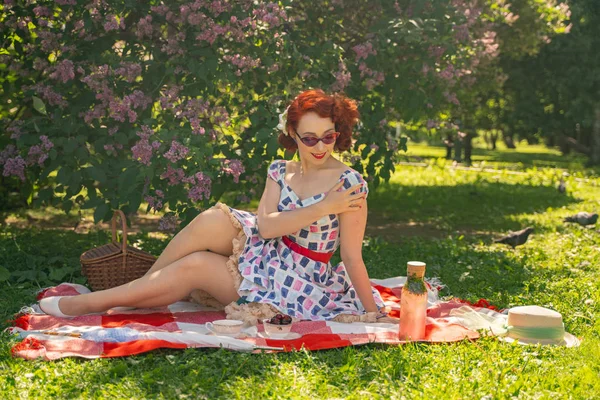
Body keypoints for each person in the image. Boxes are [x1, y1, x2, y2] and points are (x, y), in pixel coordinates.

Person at [39, 89, 395, 324]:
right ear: (292, 133)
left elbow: (350, 257)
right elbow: (267, 227)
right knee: (212, 219)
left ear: (338, 131)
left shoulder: (349, 185)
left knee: (196, 266)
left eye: (329, 136)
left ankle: (95, 303)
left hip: (300, 280)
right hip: (269, 248)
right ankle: (139, 288)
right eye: (310, 138)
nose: (320, 147)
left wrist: (371, 311)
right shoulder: (279, 169)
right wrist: (322, 207)